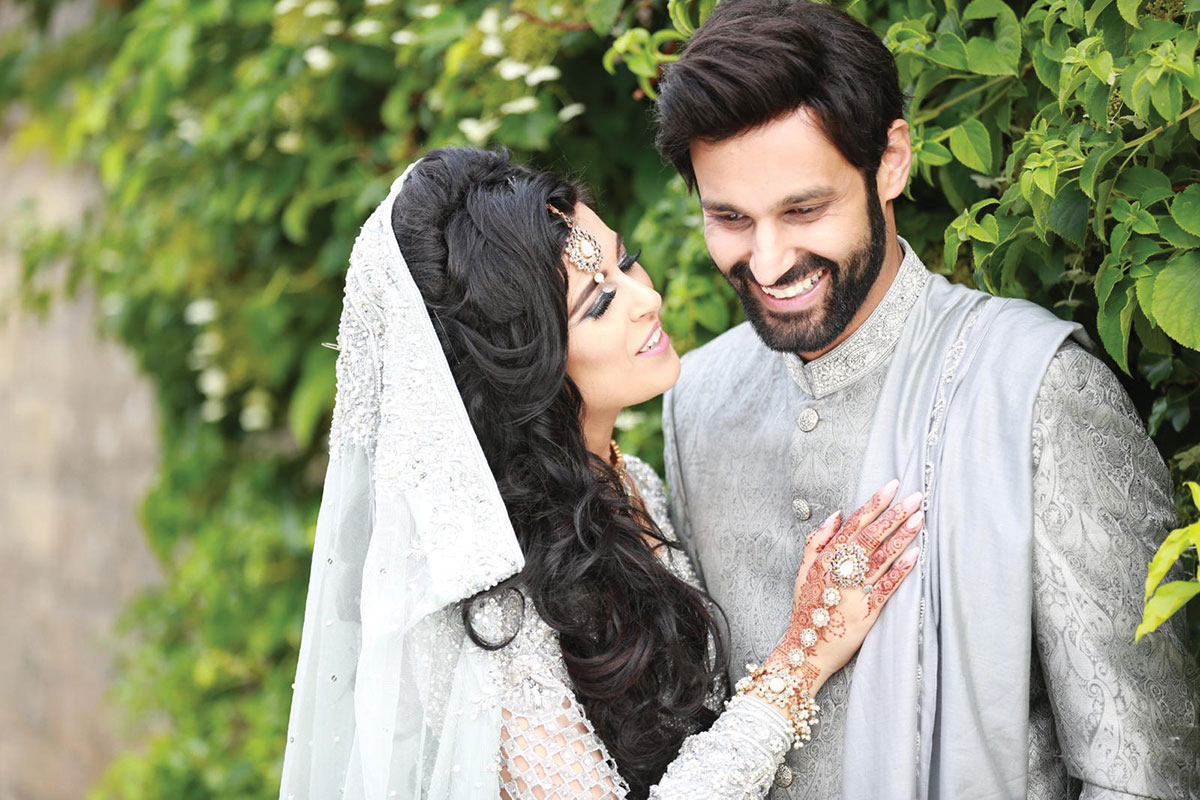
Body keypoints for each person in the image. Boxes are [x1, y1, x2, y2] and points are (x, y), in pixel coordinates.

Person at [652, 1, 1200, 798]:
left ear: (892, 162)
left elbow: (1142, 769)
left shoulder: (1038, 387)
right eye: (730, 218)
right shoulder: (696, 400)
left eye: (804, 210)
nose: (767, 262)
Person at [277, 147, 926, 800]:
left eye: (629, 261)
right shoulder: (496, 607)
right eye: (597, 305)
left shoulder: (629, 481)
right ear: (522, 364)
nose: (647, 299)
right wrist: (804, 655)